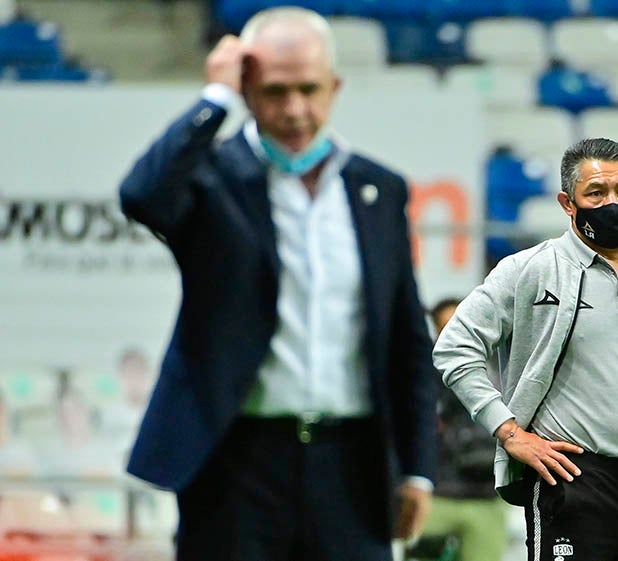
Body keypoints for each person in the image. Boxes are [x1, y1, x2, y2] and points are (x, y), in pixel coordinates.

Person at [117, 7, 437, 560]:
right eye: (274, 91)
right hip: (235, 466)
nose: (294, 110)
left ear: (334, 88)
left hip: (353, 468)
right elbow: (142, 196)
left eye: (309, 89)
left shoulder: (379, 190)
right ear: (247, 90)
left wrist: (417, 469)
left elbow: (406, 340)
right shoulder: (212, 180)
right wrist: (212, 99)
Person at [433, 138, 618, 561]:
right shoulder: (528, 270)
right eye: (596, 193)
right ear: (567, 202)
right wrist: (508, 433)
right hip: (574, 478)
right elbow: (454, 348)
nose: (612, 203)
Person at [416, 297, 509, 561]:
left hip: (487, 496)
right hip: (439, 493)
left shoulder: (502, 366)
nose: (455, 333)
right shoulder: (425, 375)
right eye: (445, 327)